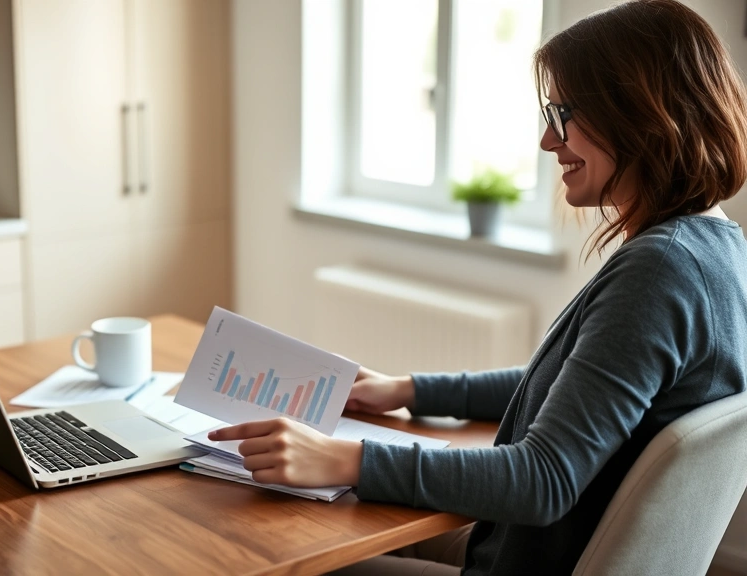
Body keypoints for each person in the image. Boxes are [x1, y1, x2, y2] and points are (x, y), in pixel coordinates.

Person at [208, 1, 747, 574]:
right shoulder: (716, 246)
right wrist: (410, 390)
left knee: (265, 556)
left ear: (639, 114)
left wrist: (344, 459)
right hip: (516, 551)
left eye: (564, 114)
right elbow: (583, 387)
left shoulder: (659, 271)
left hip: (511, 563)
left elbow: (542, 479)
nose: (547, 140)